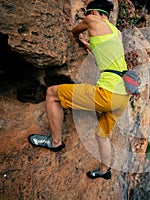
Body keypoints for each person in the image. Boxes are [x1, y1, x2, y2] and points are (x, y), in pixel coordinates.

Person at [28, 0, 129, 180]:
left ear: (93, 12)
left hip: (107, 94)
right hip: (122, 97)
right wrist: (89, 46)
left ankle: (55, 142)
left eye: (87, 13)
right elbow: (106, 54)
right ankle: (104, 171)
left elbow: (75, 31)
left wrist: (80, 36)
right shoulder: (117, 33)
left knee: (52, 93)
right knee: (102, 136)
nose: (86, 16)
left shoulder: (92, 20)